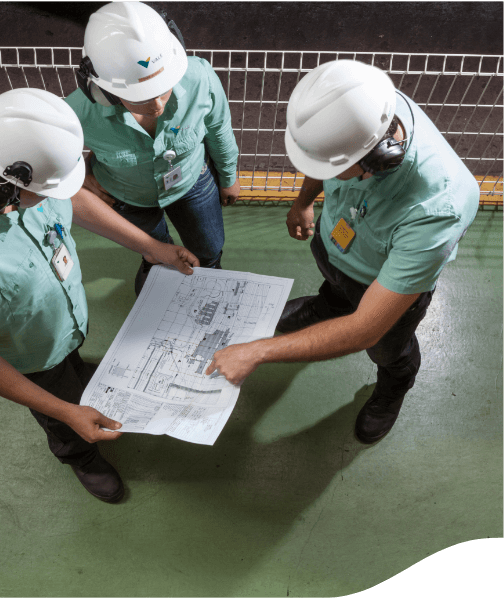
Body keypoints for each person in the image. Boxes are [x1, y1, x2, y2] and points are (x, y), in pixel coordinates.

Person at [0, 88, 199, 503]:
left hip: (66, 323)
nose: (57, 196)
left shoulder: (5, 163)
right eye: (47, 191)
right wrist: (65, 412)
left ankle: (76, 387)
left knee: (76, 373)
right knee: (61, 407)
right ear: (0, 191)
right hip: (33, 357)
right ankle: (79, 455)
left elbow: (72, 197)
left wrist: (149, 247)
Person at [206, 60, 480, 444]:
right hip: (338, 249)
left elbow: (366, 327)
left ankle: (395, 385)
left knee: (387, 348)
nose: (323, 173)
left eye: (333, 168)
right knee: (334, 289)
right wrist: (304, 201)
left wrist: (258, 352)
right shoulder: (363, 108)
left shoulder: (439, 205)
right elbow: (327, 156)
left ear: (378, 157)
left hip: (382, 286)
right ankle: (328, 306)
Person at [65, 0, 240, 296]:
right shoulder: (76, 112)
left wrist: (229, 176)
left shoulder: (199, 77)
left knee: (209, 247)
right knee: (153, 245)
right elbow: (54, 161)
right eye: (140, 96)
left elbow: (219, 128)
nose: (157, 105)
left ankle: (208, 268)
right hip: (125, 197)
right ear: (102, 89)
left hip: (192, 182)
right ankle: (156, 263)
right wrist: (80, 175)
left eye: (163, 88)